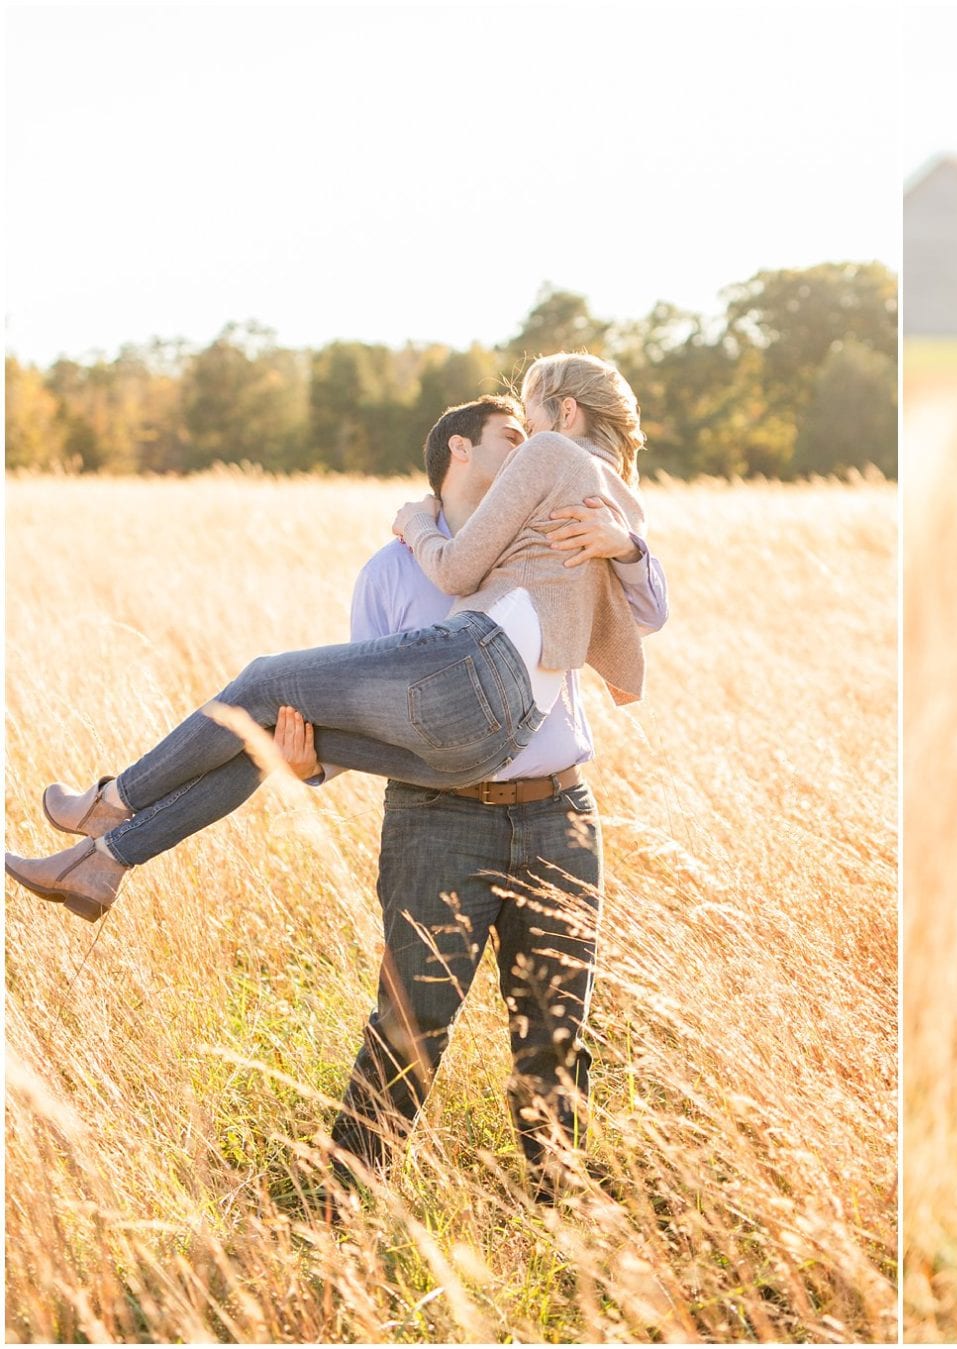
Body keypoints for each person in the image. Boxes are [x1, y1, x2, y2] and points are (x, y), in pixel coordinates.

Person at [5, 353, 649, 926]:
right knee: (258, 743)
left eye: (531, 420)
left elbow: (455, 572)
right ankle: (104, 862)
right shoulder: (613, 504)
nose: (526, 439)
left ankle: (110, 802)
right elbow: (638, 625)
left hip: (473, 673)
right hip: (495, 735)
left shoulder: (552, 455)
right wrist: (628, 548)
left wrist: (416, 522)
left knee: (263, 680)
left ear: (565, 412)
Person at [276, 386, 666, 1207]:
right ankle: (338, 1210)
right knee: (409, 1026)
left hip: (559, 816)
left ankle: (564, 1216)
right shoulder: (387, 574)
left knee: (558, 1033)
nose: (530, 449)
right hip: (436, 822)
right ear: (460, 449)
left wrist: (626, 545)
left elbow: (652, 610)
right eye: (510, 435)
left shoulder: (558, 529)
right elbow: (361, 707)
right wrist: (311, 762)